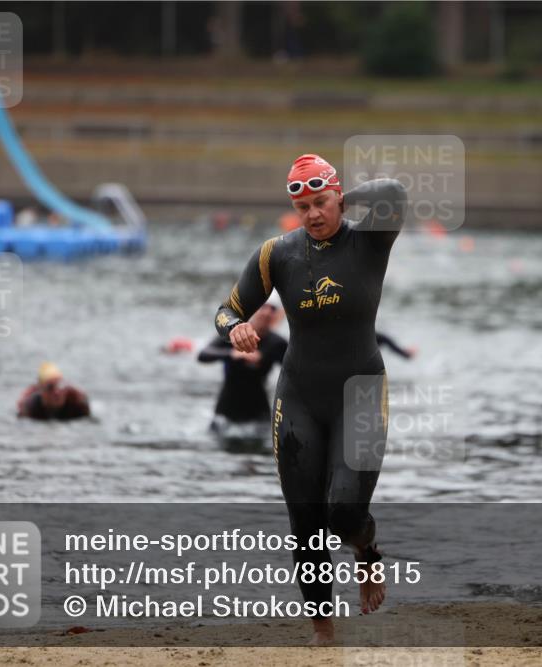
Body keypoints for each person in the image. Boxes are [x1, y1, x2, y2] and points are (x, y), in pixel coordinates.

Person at [214, 153, 406, 645]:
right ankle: (323, 632)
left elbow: (394, 195)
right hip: (299, 395)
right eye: (302, 207)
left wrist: (348, 197)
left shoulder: (370, 240)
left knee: (344, 514)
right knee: (306, 522)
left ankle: (368, 555)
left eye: (321, 202)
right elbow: (226, 309)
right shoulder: (278, 253)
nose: (313, 214)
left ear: (337, 198)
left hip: (360, 392)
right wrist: (235, 328)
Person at [198, 294, 287, 429]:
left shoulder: (277, 343)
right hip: (227, 407)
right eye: (263, 308)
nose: (267, 313)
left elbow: (293, 372)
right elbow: (203, 355)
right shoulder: (234, 335)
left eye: (272, 309)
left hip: (258, 409)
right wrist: (232, 354)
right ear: (254, 311)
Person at [16, 362, 90, 421]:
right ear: (41, 391)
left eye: (61, 386)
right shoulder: (32, 405)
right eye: (50, 387)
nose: (57, 392)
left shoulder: (75, 401)